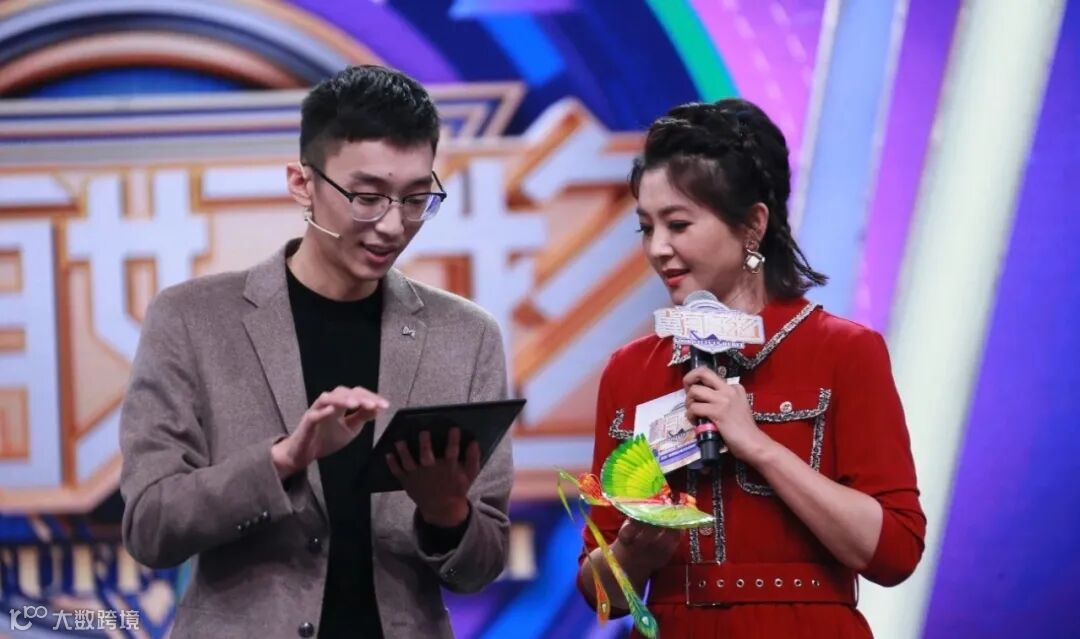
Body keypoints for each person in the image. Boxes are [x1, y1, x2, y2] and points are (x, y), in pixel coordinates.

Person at [120, 65, 513, 639]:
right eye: (367, 197)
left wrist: (447, 513)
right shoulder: (191, 319)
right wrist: (284, 460)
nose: (392, 226)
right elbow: (150, 528)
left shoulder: (467, 336)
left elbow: (482, 565)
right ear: (302, 183)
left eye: (415, 199)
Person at [576, 99, 925, 638]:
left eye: (679, 224)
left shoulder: (845, 351)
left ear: (753, 226)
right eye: (646, 227)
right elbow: (601, 595)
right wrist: (630, 554)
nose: (658, 248)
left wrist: (757, 445)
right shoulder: (629, 371)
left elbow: (895, 552)